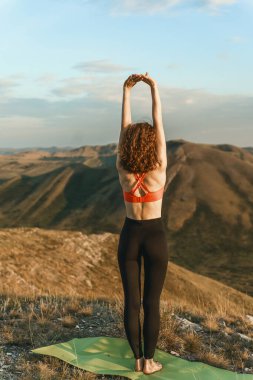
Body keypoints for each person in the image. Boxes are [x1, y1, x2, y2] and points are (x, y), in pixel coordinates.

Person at [116, 72, 169, 375]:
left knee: (132, 302)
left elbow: (124, 129)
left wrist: (126, 91)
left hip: (130, 236)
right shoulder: (160, 166)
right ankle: (150, 362)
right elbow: (158, 122)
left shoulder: (122, 166)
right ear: (152, 143)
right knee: (152, 302)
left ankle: (137, 360)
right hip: (155, 237)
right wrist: (153, 88)